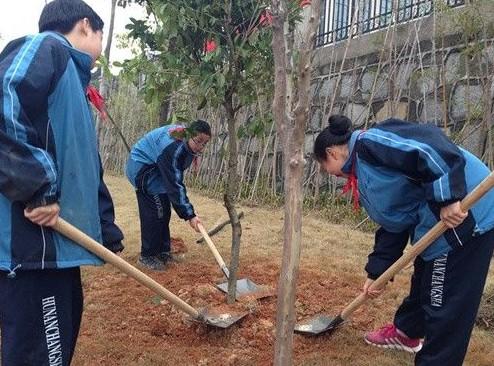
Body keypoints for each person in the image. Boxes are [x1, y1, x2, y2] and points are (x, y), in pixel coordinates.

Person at [313, 115, 494, 365]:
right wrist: (378, 271)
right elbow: (394, 222)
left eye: (324, 167)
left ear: (332, 153)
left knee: (446, 302)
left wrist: (448, 197)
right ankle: (407, 333)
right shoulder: (363, 168)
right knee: (424, 279)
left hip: (469, 215)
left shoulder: (373, 143)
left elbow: (432, 146)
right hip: (435, 223)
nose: (328, 174)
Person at [0, 1, 125, 365]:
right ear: (86, 26)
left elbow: (82, 164)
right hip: (33, 250)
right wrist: (38, 186)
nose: (101, 45)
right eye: (101, 35)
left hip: (58, 250)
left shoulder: (73, 84)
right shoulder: (46, 47)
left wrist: (105, 228)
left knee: (58, 346)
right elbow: (6, 98)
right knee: (41, 356)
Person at [126, 120, 211, 271]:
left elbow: (174, 177)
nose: (200, 147)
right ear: (189, 134)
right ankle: (147, 256)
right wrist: (189, 215)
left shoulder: (184, 136)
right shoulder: (173, 148)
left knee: (164, 210)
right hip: (142, 168)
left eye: (204, 144)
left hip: (156, 167)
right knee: (156, 211)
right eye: (198, 142)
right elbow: (175, 184)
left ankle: (163, 252)